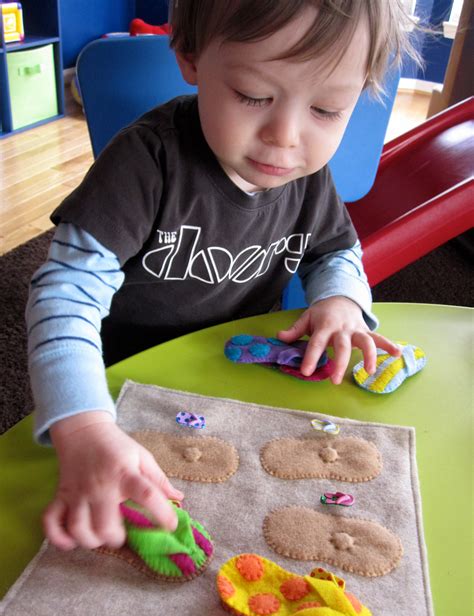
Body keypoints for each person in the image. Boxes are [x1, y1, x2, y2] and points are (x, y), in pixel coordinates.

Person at [26, 0, 417, 551]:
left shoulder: (307, 177)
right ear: (189, 55)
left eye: (327, 110)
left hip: (242, 376)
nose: (286, 136)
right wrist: (84, 427)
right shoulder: (147, 161)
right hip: (126, 387)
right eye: (254, 96)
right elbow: (63, 294)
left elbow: (337, 252)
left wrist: (341, 301)